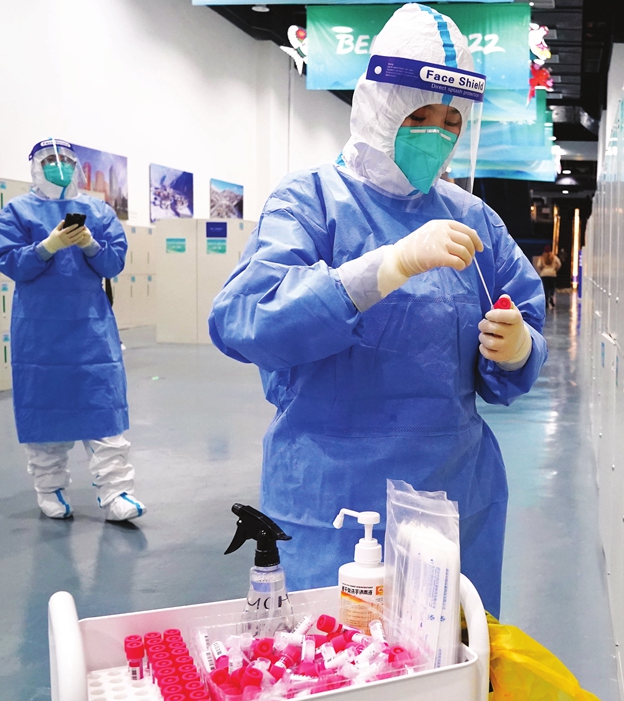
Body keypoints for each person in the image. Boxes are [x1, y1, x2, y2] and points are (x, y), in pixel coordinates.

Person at [210, 3, 547, 617]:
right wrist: (377, 272)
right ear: (379, 105)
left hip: (453, 502)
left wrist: (517, 347)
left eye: (450, 121)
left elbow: (521, 319)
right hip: (330, 500)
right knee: (337, 678)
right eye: (418, 114)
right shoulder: (309, 200)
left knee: (447, 679)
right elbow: (245, 318)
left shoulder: (475, 221)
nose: (436, 133)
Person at [0, 138, 146, 522]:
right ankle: (50, 487)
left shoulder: (97, 211)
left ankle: (116, 493)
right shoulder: (17, 211)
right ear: (34, 166)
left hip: (90, 329)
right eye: (49, 161)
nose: (58, 166)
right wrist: (47, 246)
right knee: (44, 411)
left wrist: (90, 244)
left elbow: (113, 264)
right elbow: (10, 262)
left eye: (65, 161)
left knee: (103, 409)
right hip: (40, 332)